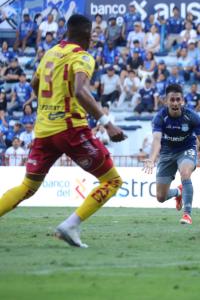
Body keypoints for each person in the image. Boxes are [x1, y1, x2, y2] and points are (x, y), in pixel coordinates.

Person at [0, 14, 126, 248]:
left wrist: (49, 108)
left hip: (44, 131)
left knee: (27, 187)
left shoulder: (50, 52)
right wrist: (107, 122)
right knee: (112, 181)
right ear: (87, 34)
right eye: (94, 33)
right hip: (71, 130)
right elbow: (79, 90)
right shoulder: (82, 57)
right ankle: (70, 225)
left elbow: (35, 85)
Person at [143, 84, 200, 225]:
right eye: (171, 100)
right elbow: (156, 140)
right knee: (161, 197)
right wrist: (151, 159)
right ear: (166, 101)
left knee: (185, 173)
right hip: (167, 152)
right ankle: (178, 192)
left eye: (177, 99)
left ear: (182, 101)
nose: (175, 103)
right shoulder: (160, 118)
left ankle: (187, 214)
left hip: (187, 149)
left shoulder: (192, 117)